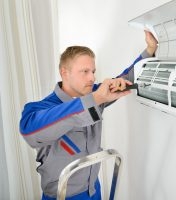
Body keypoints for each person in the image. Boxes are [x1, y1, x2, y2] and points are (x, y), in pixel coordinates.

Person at [19, 31, 158, 200]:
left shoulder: (93, 94)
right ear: (65, 73)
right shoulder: (40, 109)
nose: (92, 77)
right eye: (84, 71)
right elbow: (29, 132)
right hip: (62, 195)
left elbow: (125, 78)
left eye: (93, 71)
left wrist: (150, 49)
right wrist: (96, 98)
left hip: (94, 190)